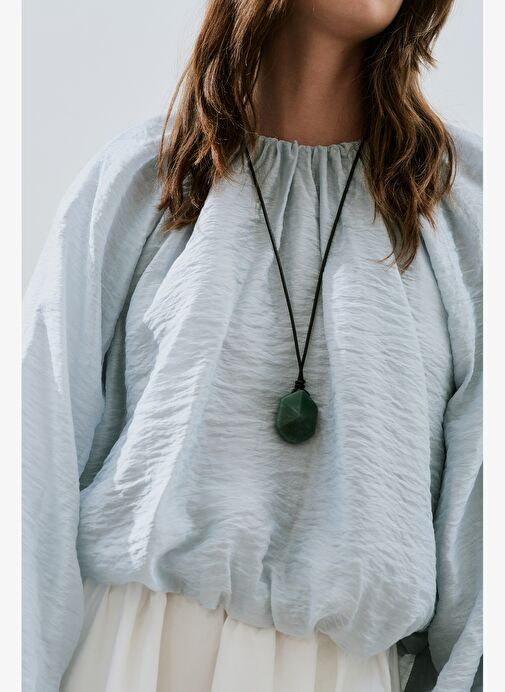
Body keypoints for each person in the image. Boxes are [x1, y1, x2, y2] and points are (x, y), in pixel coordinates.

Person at [22, 1, 483, 691]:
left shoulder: (459, 202)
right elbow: (34, 459)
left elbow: (483, 527)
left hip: (341, 670)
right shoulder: (142, 180)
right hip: (129, 652)